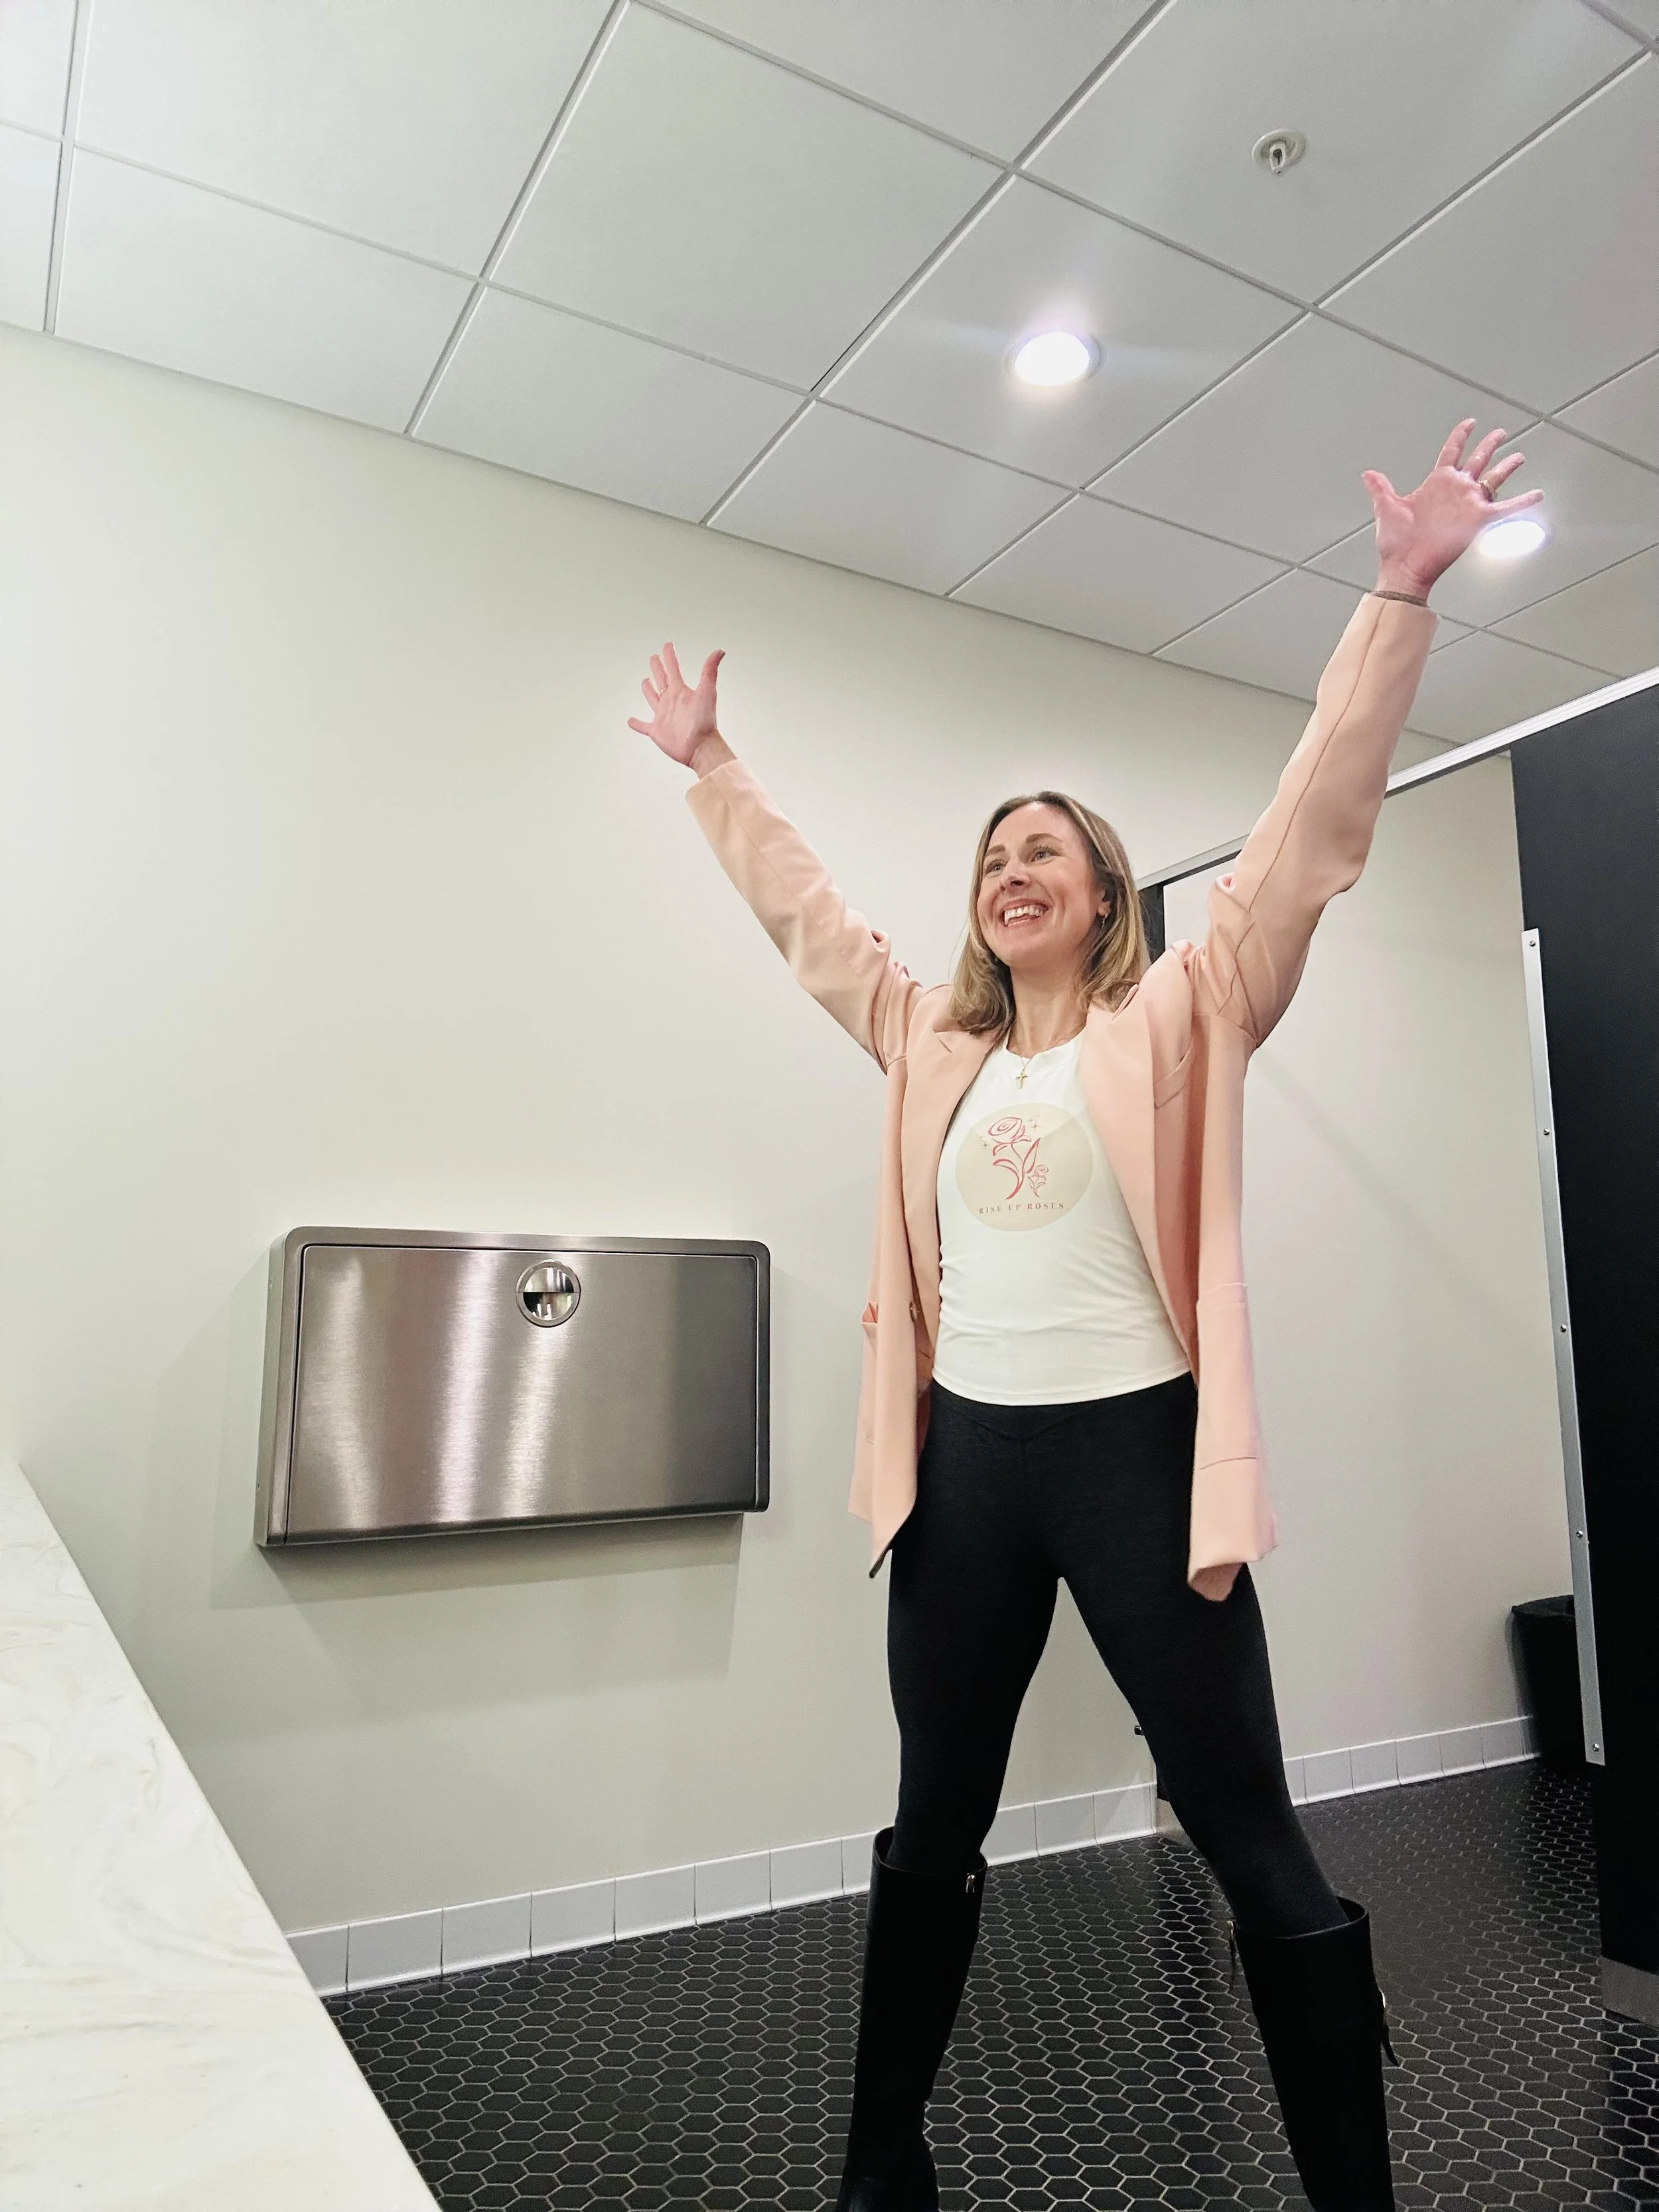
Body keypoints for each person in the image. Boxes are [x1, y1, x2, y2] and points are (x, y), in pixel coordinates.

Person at [629, 422, 1541, 2211]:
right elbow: (809, 920)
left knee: (1248, 1829)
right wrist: (714, 764)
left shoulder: (1188, 1012)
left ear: (1105, 888)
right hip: (964, 1474)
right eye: (990, 857)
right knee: (932, 1823)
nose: (1010, 870)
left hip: (1136, 1462)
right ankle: (882, 2158)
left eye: (1043, 848)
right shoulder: (929, 1043)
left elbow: (1301, 836)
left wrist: (1391, 602)